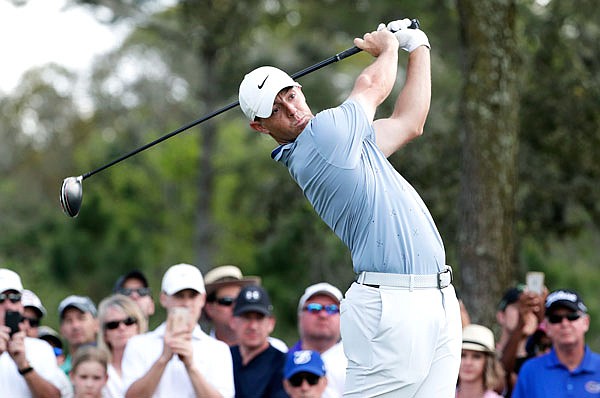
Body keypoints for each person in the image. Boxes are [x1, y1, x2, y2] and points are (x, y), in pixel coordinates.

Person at [238, 19, 460, 396]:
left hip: (437, 297)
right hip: (390, 305)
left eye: (289, 95)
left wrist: (417, 46)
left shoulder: (348, 143)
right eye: (275, 110)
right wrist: (388, 47)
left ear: (300, 89)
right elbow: (372, 86)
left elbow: (410, 123)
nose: (291, 111)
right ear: (260, 127)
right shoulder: (322, 141)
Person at [121, 263, 234, 397]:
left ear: (202, 299)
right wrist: (163, 359)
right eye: (179, 296)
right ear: (163, 298)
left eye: (192, 296)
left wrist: (191, 367)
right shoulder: (138, 344)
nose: (186, 303)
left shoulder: (218, 350)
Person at [513, 289, 600, 398]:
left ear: (586, 322)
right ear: (547, 326)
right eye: (556, 319)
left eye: (572, 316)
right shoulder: (530, 371)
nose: (564, 323)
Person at [0, 268, 68, 397]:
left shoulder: (42, 349)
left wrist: (24, 366)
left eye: (14, 298)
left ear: (21, 305)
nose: (8, 306)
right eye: (0, 299)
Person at [229, 285, 287, 397]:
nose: (253, 326)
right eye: (246, 317)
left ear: (271, 323)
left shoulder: (282, 364)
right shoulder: (223, 357)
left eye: (259, 318)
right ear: (233, 321)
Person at [289, 283, 346, 397]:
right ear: (300, 315)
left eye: (332, 309)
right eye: (314, 308)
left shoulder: (356, 362)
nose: (323, 315)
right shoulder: (284, 360)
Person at [495, 285, 543, 396]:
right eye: (519, 307)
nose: (525, 313)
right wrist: (518, 328)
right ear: (501, 316)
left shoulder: (542, 358)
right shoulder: (483, 355)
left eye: (531, 308)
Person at [97, 294, 147, 397]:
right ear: (105, 334)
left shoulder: (154, 363)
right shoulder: (97, 370)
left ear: (138, 326)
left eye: (129, 321)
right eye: (113, 325)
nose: (122, 328)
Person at [202, 264, 261, 346]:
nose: (235, 306)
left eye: (239, 300)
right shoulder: (197, 352)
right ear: (209, 308)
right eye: (227, 301)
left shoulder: (275, 351)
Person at [456, 324, 504, 398]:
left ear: (488, 362)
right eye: (463, 355)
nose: (468, 362)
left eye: (476, 356)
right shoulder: (440, 394)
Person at [58, 294, 99, 374]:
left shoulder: (113, 365)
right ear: (61, 329)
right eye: (68, 320)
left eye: (81, 318)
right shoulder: (58, 374)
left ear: (97, 324)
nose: (75, 326)